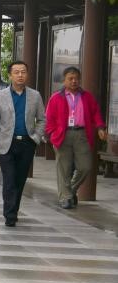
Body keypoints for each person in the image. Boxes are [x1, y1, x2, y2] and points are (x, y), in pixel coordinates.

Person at [0, 60, 45, 227]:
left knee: (20, 181)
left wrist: (36, 137)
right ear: (10, 75)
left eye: (23, 72)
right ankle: (10, 215)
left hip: (27, 143)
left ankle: (13, 209)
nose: (20, 75)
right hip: (7, 144)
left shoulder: (35, 95)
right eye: (16, 72)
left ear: (27, 74)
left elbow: (42, 119)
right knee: (10, 180)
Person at [45, 66, 107, 209]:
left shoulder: (87, 97)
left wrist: (100, 127)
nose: (74, 81)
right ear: (64, 80)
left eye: (76, 79)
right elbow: (49, 118)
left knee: (85, 166)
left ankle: (70, 191)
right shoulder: (56, 97)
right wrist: (52, 133)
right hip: (62, 134)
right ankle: (65, 198)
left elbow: (96, 113)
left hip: (82, 134)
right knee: (64, 168)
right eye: (70, 79)